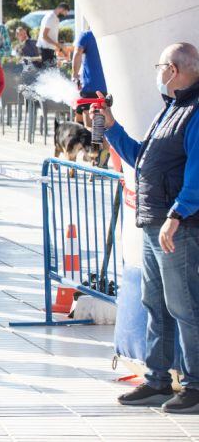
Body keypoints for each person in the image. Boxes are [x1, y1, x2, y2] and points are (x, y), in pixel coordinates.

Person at [108, 42, 199, 414]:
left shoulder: (193, 112)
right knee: (155, 304)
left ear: (174, 70)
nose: (157, 72)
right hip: (152, 221)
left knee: (185, 307)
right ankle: (158, 379)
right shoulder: (171, 110)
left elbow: (196, 174)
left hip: (176, 226)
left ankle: (194, 385)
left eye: (160, 65)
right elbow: (142, 160)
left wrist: (177, 215)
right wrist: (110, 127)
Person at [72, 29, 107, 122]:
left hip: (91, 87)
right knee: (80, 120)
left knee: (88, 127)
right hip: (106, 88)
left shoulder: (87, 35)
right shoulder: (108, 33)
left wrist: (74, 75)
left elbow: (77, 53)